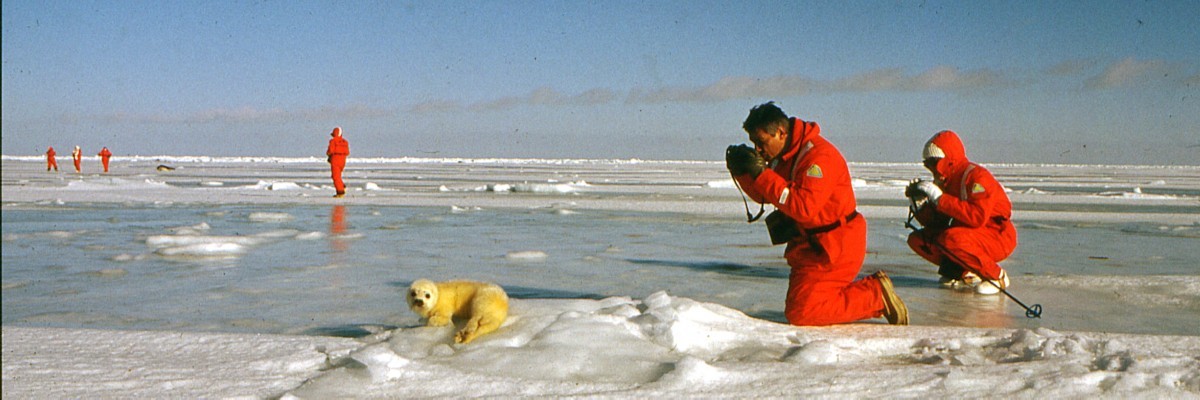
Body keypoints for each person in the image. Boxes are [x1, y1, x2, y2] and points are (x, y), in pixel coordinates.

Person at [726, 101, 907, 326]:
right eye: (754, 144)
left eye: (761, 142)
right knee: (799, 308)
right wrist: (744, 172)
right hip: (810, 246)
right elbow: (767, 195)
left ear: (781, 133)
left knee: (803, 313)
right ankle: (870, 294)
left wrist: (761, 174)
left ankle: (874, 296)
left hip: (835, 246)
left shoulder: (819, 158)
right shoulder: (783, 157)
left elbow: (803, 207)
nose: (758, 150)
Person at [905, 130, 1018, 295]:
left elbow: (977, 217)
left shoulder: (977, 178)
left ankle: (997, 276)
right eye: (927, 163)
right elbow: (940, 223)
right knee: (918, 240)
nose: (931, 168)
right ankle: (960, 271)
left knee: (952, 239)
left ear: (948, 159)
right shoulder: (945, 182)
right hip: (967, 235)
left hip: (997, 235)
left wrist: (940, 198)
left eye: (934, 162)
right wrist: (921, 208)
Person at [326, 127, 350, 198]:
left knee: (335, 176)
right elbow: (347, 152)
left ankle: (340, 192)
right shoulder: (345, 142)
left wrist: (328, 155)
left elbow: (330, 151)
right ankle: (342, 186)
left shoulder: (333, 141)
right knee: (338, 176)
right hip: (343, 160)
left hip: (335, 160)